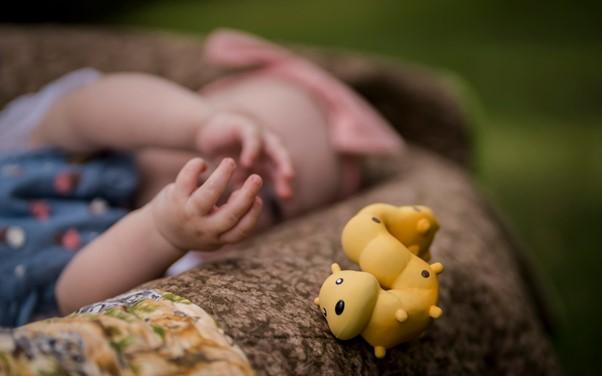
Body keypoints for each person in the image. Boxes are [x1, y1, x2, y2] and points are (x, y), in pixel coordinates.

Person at [0, 29, 403, 326]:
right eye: (248, 131)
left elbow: (73, 297)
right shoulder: (85, 141)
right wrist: (196, 124)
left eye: (274, 202)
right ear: (199, 98)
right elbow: (86, 107)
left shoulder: (173, 259)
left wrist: (163, 233)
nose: (244, 171)